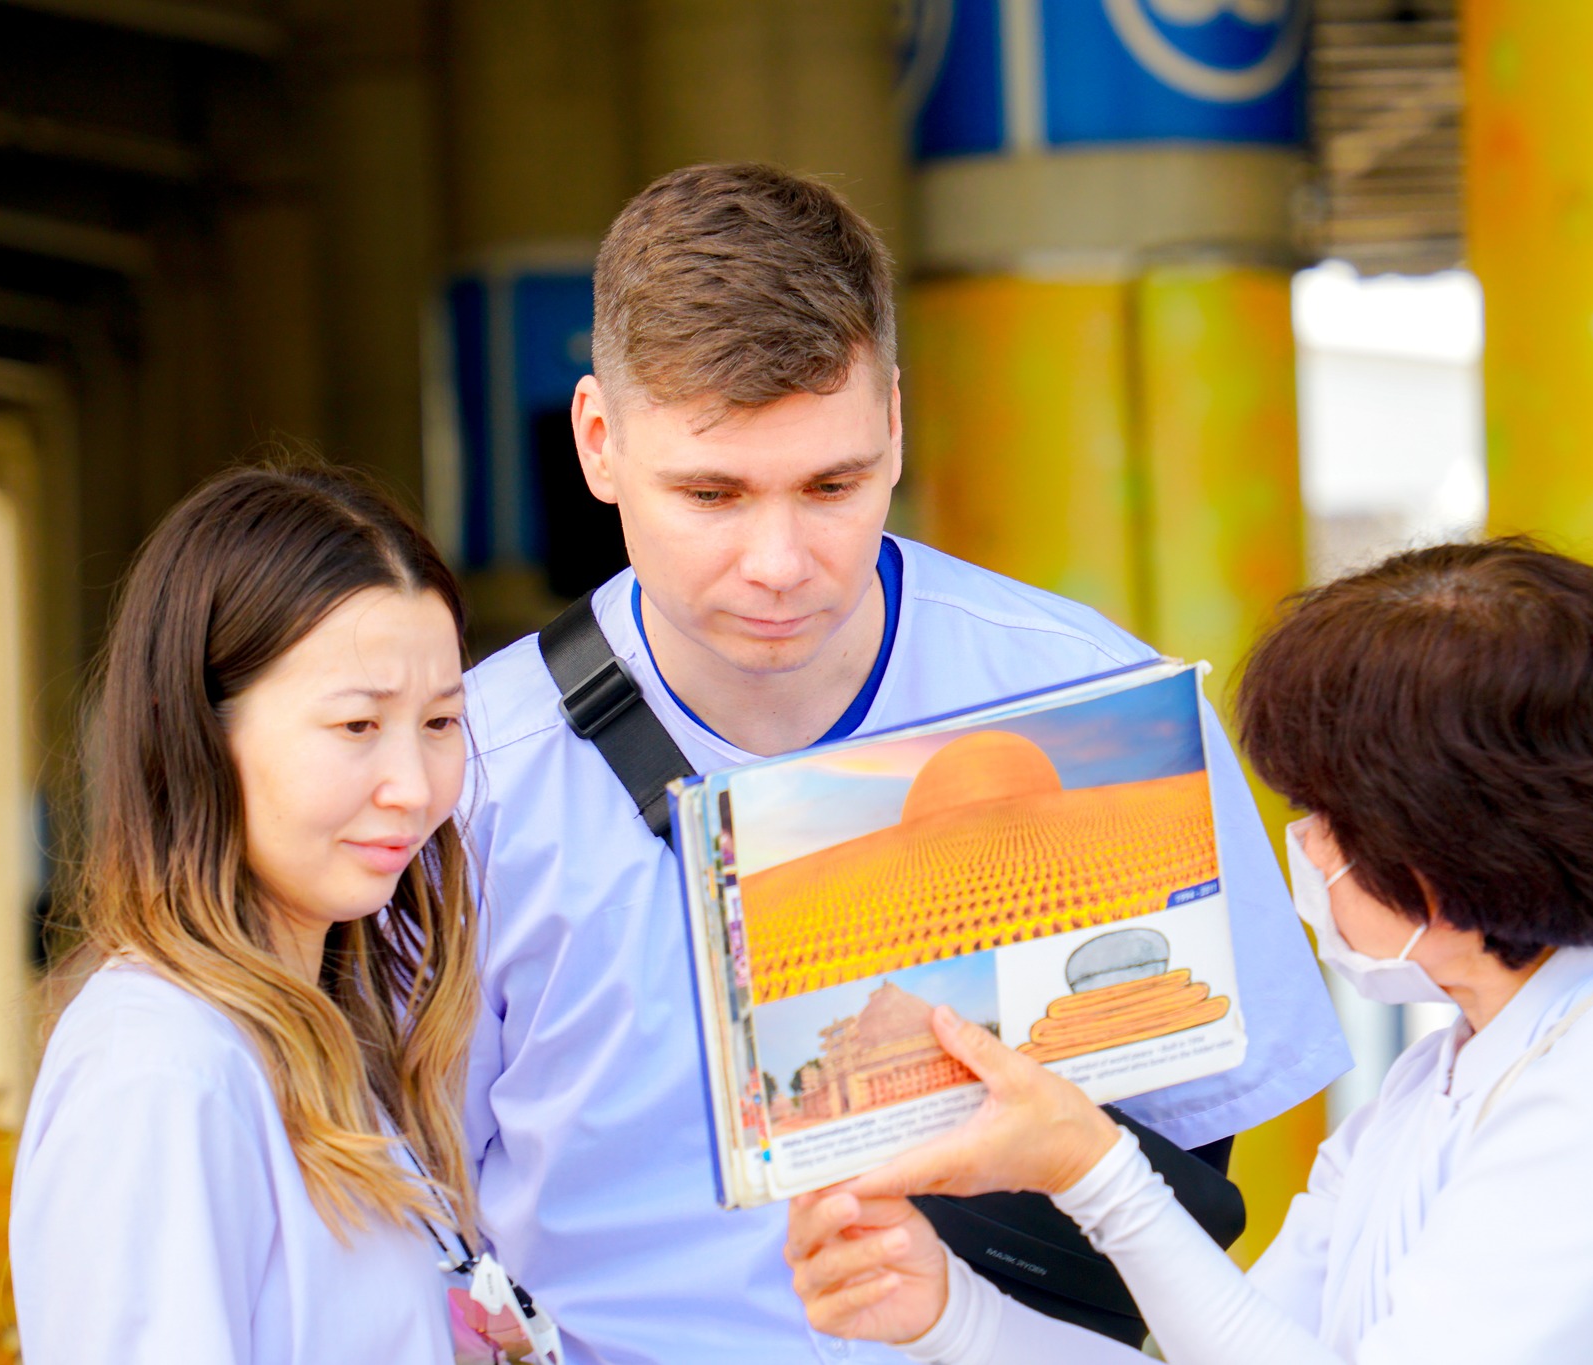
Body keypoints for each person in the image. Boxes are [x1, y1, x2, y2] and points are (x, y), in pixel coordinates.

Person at [461, 161, 1350, 1364]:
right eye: (710, 494)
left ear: (893, 421)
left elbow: (1201, 1163)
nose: (777, 561)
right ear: (598, 441)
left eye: (830, 485)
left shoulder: (1094, 705)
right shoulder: (461, 777)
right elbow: (395, 1199)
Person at [787, 538, 1593, 1365]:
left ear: (1447, 844)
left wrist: (1095, 1169)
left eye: (1324, 812)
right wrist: (944, 1315)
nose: (1304, 847)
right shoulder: (1444, 1072)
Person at [12, 464, 527, 1364]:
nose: (413, 788)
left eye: (441, 722)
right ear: (200, 734)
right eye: (357, 727)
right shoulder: (166, 1074)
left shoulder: (329, 1039)